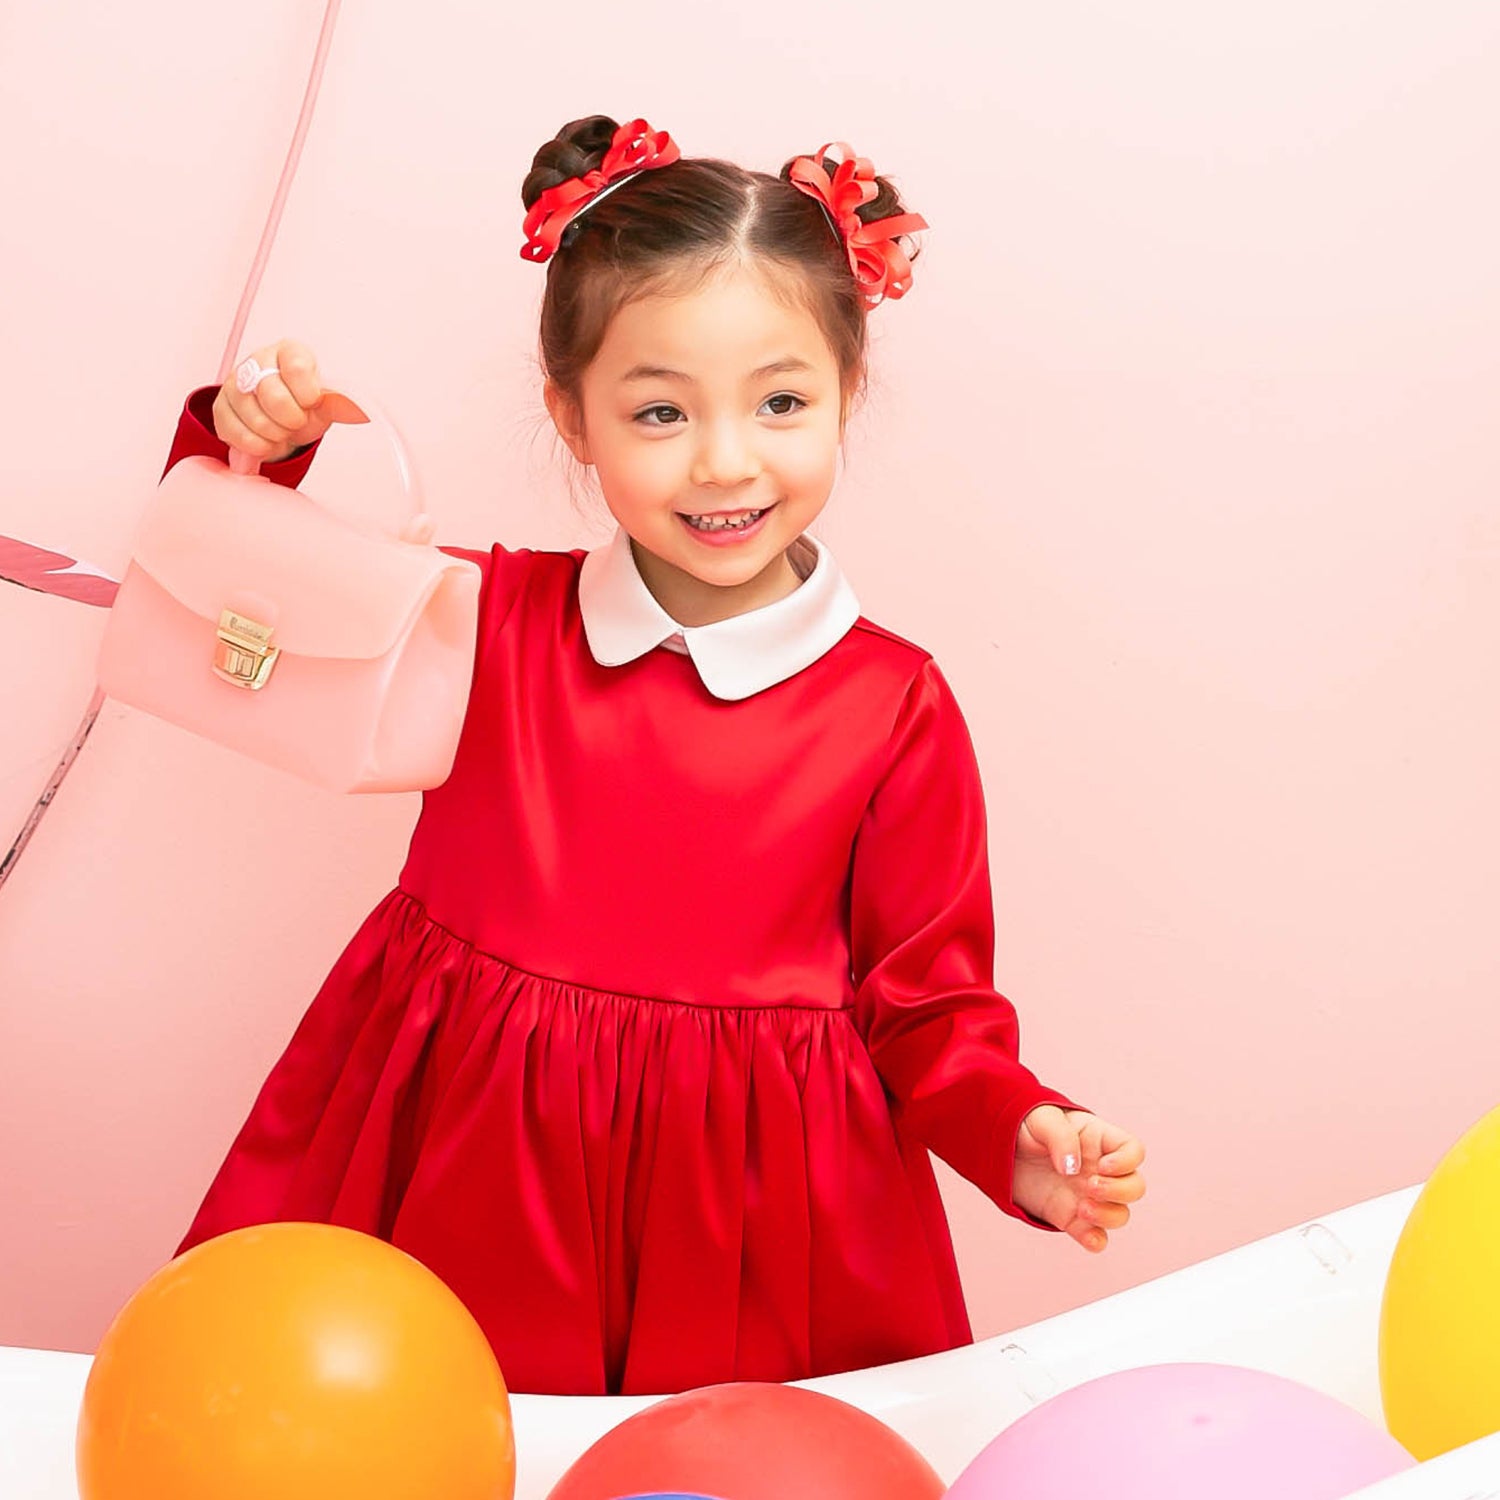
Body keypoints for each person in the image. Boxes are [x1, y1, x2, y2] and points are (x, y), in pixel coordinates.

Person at [160, 115, 1146, 1397]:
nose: (725, 461)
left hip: (746, 1226)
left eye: (781, 402)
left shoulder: (893, 705)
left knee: (707, 1469)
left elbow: (929, 1012)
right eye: (661, 410)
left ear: (848, 391)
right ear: (573, 416)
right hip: (466, 1172)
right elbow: (248, 598)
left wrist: (1019, 1134)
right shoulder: (488, 619)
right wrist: (254, 446)